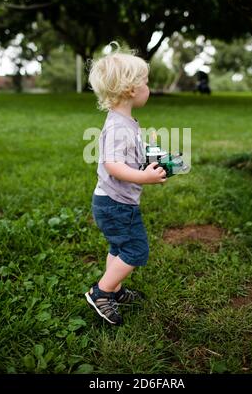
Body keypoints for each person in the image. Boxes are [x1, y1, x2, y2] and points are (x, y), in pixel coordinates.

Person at [86, 44, 167, 326]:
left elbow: (125, 156)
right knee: (135, 250)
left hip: (111, 202)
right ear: (131, 90)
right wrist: (145, 177)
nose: (148, 87)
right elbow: (113, 164)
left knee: (119, 246)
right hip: (116, 204)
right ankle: (102, 292)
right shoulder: (119, 127)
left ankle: (116, 291)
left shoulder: (124, 121)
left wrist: (147, 159)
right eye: (145, 82)